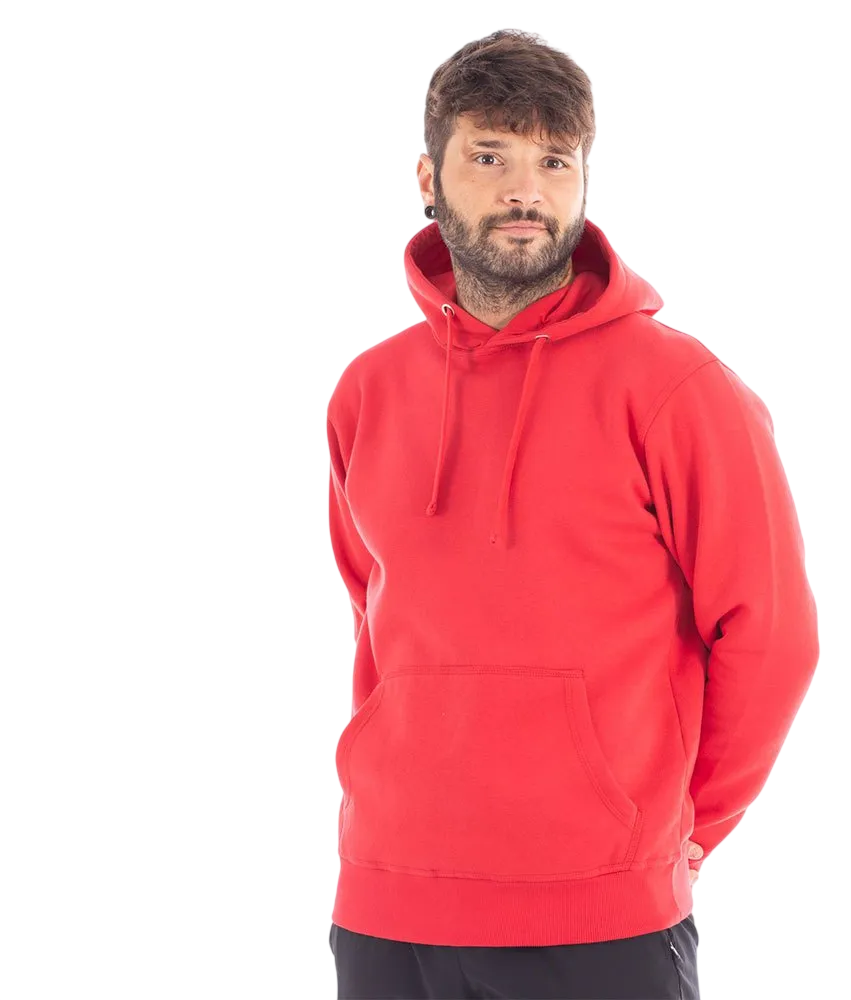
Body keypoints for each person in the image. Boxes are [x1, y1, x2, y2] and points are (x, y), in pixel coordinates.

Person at [325, 28, 819, 1000]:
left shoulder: (675, 387)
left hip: (599, 912)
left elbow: (771, 637)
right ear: (428, 176)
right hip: (386, 900)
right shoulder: (367, 391)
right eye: (490, 156)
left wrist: (679, 834)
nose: (527, 190)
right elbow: (374, 624)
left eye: (555, 160)